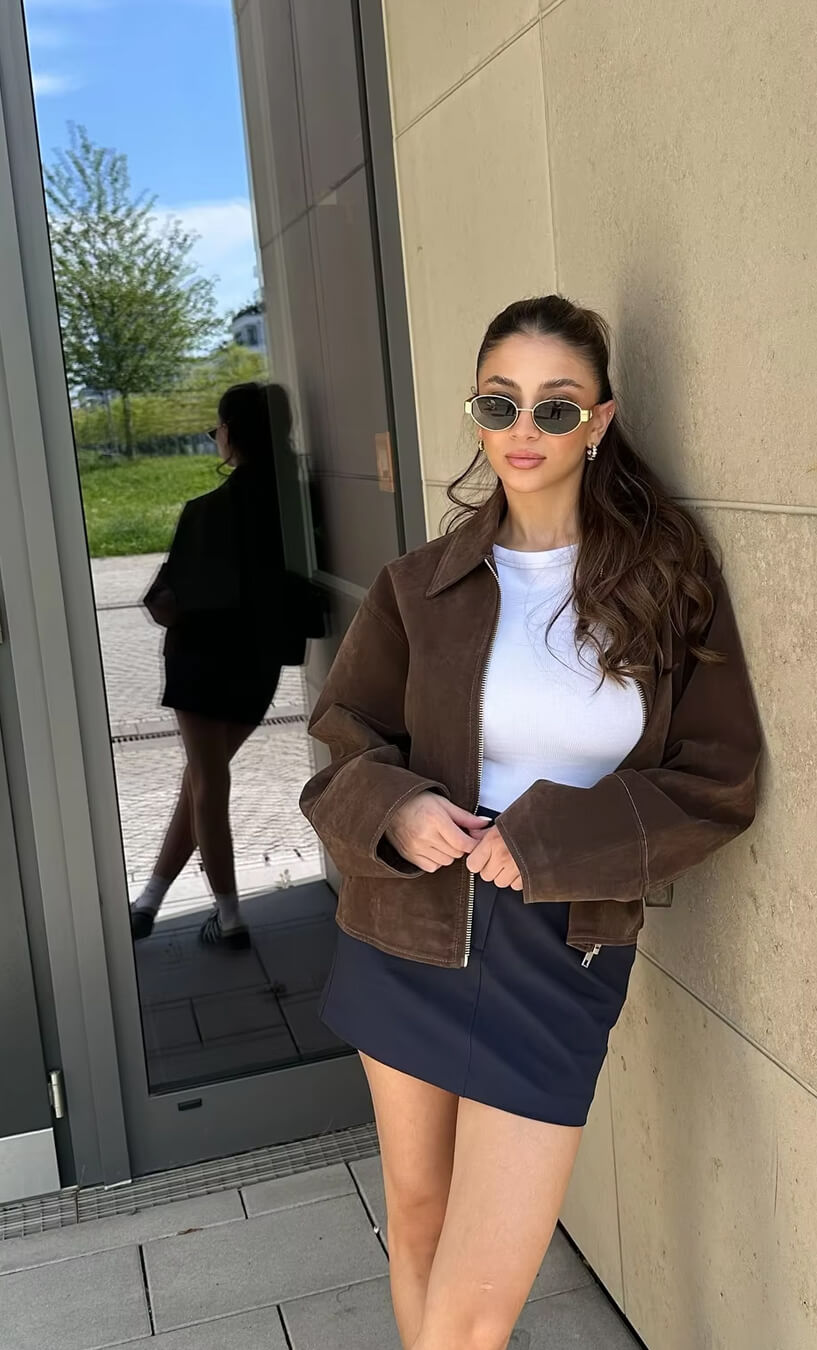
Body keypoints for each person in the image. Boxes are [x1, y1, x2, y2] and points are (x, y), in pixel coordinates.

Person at [300, 295, 763, 1350]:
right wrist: (400, 807)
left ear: (599, 421)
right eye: (498, 403)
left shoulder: (665, 583)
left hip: (563, 948)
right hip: (405, 928)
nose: (523, 429)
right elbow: (344, 740)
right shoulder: (420, 587)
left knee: (475, 1308)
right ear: (474, 412)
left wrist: (553, 841)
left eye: (555, 408)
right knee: (419, 1222)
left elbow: (720, 776)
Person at [131, 381, 307, 949]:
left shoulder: (205, 512)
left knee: (207, 782)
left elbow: (170, 597)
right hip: (258, 664)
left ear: (230, 433)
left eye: (216, 430)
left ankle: (230, 918)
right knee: (200, 780)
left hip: (200, 662)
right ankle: (149, 901)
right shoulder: (295, 502)